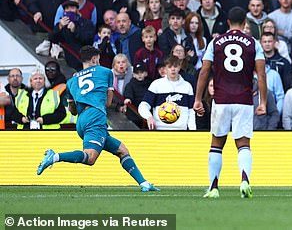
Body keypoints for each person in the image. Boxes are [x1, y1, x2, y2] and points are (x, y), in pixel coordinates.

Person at [36, 46, 158, 192]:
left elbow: (73, 111)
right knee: (90, 158)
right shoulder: (106, 72)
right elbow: (107, 103)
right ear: (94, 59)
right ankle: (55, 156)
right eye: (98, 60)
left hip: (82, 120)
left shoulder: (71, 82)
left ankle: (144, 183)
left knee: (122, 150)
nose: (99, 62)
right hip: (95, 116)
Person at [194, 7, 267, 199]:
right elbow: (261, 75)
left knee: (217, 144)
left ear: (227, 22)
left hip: (221, 98)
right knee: (243, 144)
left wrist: (197, 99)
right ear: (245, 23)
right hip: (243, 99)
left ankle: (213, 187)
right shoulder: (253, 43)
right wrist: (263, 102)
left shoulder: (215, 42)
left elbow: (204, 71)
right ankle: (244, 180)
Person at [138, 55, 196, 130]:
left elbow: (191, 111)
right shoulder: (156, 84)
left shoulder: (187, 86)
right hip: (160, 130)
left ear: (179, 67)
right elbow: (143, 105)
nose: (173, 69)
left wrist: (192, 129)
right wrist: (149, 117)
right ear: (165, 69)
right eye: (169, 67)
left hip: (181, 131)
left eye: (175, 66)